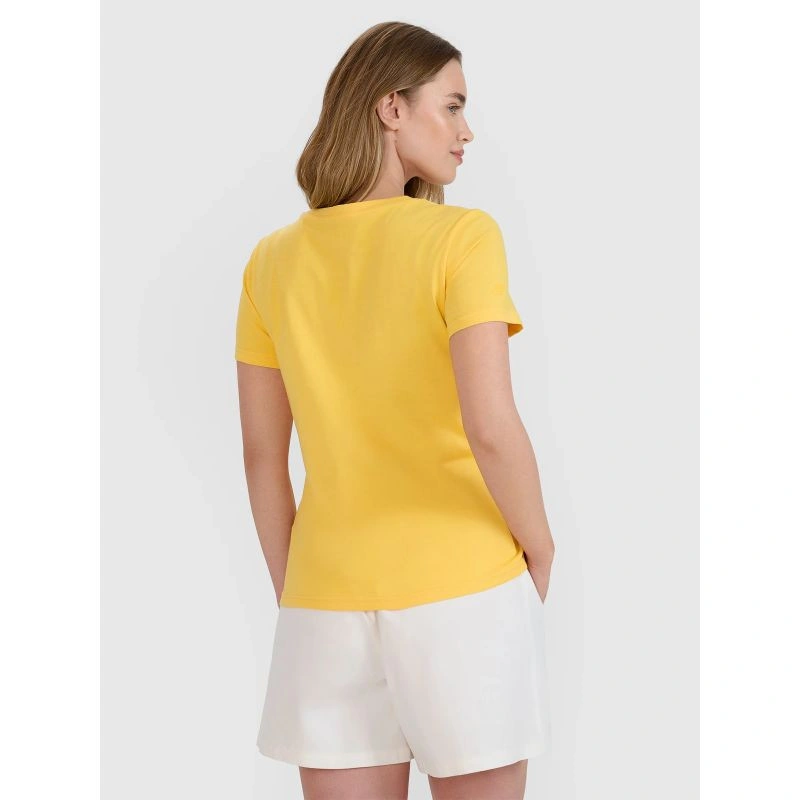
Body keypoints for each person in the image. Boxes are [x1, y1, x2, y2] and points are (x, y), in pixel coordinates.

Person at [234, 20, 555, 800]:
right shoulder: (461, 238)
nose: (466, 130)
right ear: (391, 108)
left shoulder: (271, 261)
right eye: (452, 105)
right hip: (461, 588)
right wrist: (540, 547)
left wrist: (300, 592)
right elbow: (490, 424)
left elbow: (262, 457)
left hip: (324, 597)